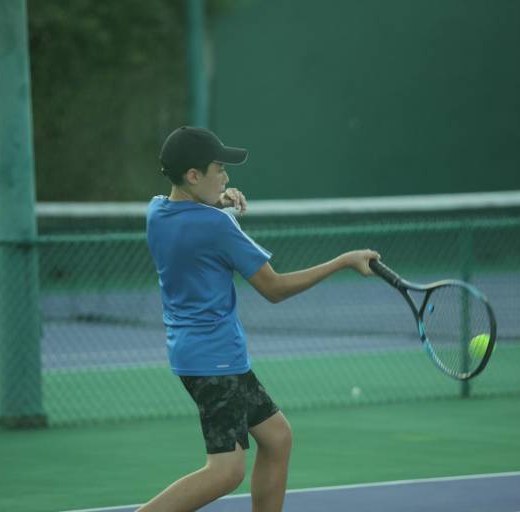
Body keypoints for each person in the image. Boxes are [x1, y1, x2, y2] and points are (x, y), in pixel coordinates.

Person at [141, 126, 379, 512]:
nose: (227, 176)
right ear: (193, 176)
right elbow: (275, 288)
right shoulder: (218, 226)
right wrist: (344, 261)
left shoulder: (157, 211)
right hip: (215, 359)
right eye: (218, 168)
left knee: (277, 437)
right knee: (226, 471)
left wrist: (216, 203)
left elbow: (190, 221)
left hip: (195, 354)